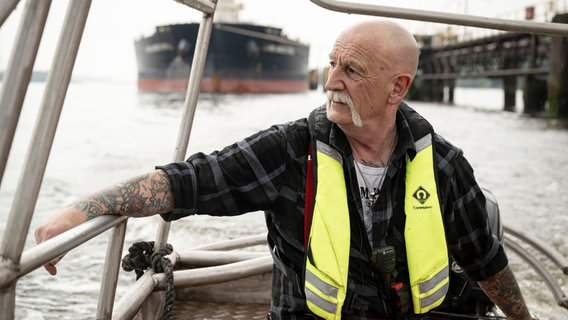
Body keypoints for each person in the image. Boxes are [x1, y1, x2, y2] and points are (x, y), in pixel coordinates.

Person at [35, 19, 536, 320]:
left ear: (397, 87)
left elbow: (484, 261)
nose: (330, 81)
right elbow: (187, 181)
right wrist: (81, 211)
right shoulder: (290, 150)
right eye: (332, 63)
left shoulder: (444, 165)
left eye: (351, 70)